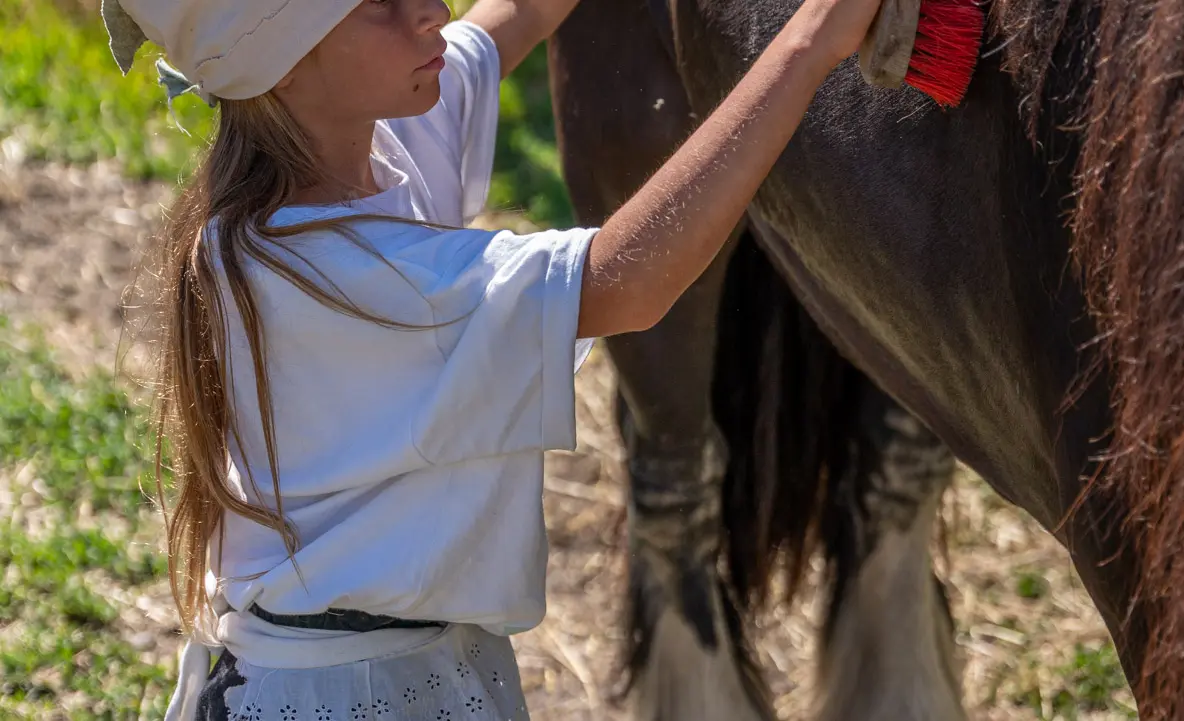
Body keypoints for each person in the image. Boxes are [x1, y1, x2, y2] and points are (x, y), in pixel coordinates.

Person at [101, 0, 882, 717]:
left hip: (394, 657)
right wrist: (808, 43)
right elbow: (627, 283)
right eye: (380, 5)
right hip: (348, 692)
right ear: (282, 61)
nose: (430, 12)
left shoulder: (365, 149)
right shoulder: (335, 276)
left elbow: (522, 14)